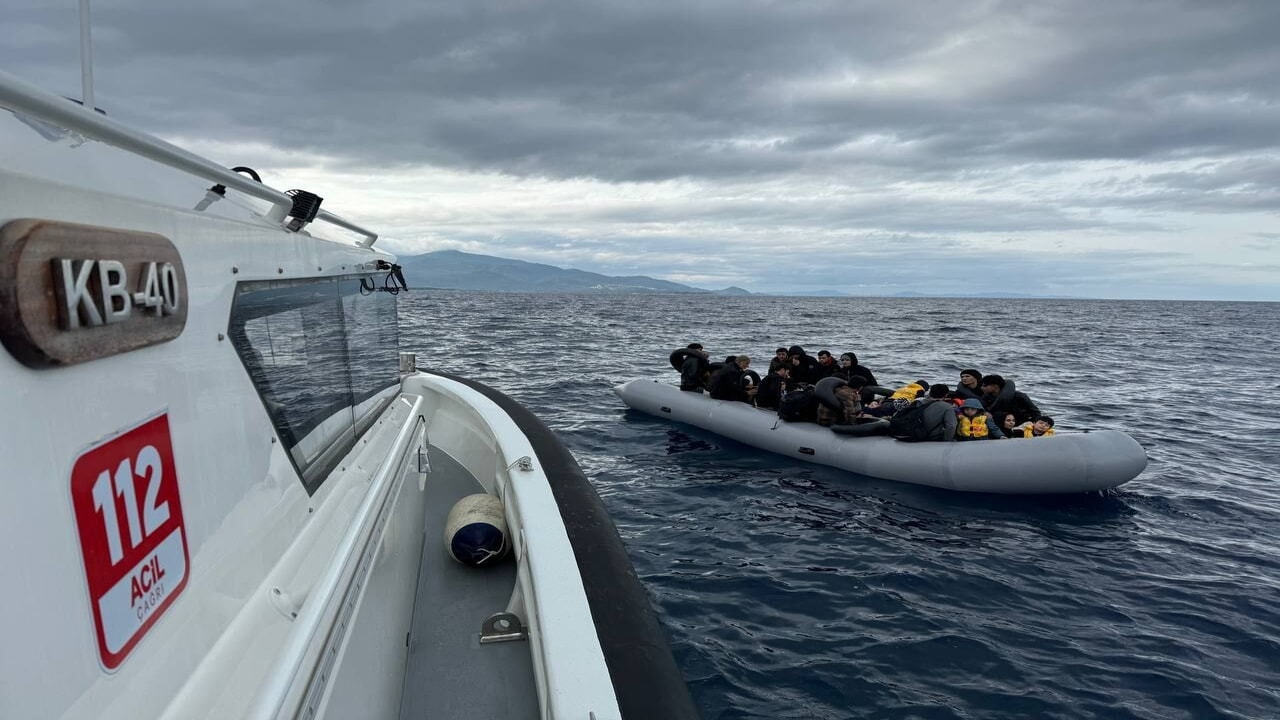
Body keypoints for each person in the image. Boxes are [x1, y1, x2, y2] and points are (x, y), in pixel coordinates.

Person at [864, 379, 930, 417]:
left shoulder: (904, 388)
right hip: (897, 404)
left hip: (888, 401)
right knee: (882, 413)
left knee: (881, 410)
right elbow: (918, 401)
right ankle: (867, 411)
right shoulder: (920, 391)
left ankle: (866, 410)